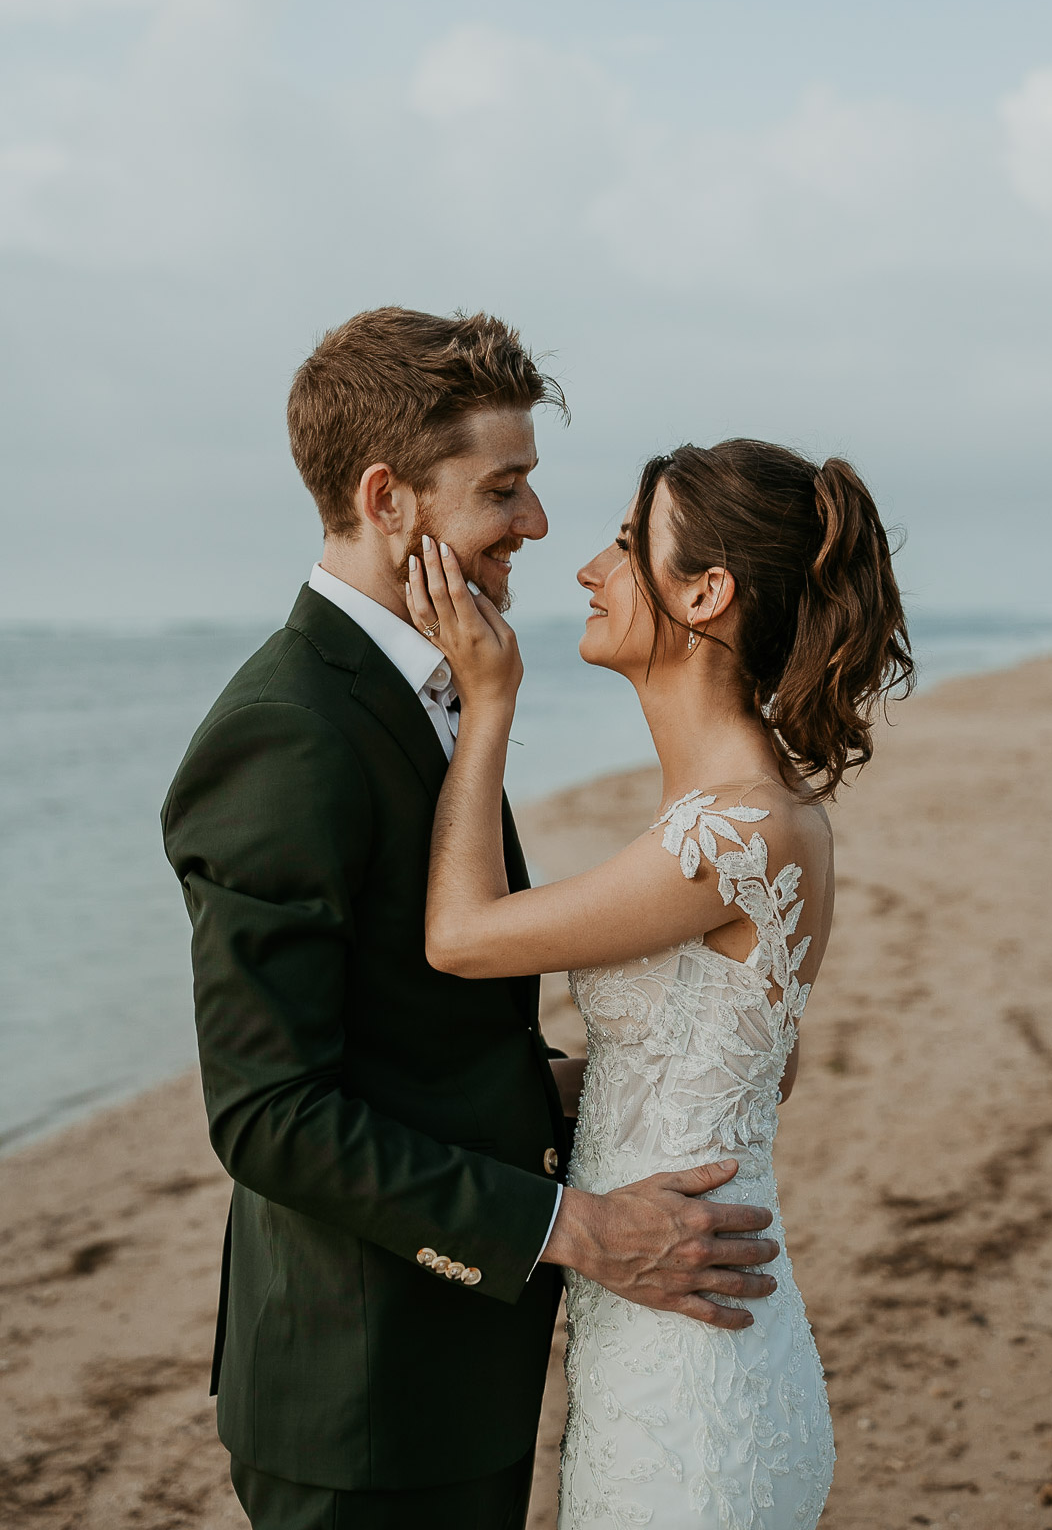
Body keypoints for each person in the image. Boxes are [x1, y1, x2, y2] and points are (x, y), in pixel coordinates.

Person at [161, 309, 780, 1530]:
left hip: (458, 1370)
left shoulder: (436, 682)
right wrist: (578, 1230)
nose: (538, 527)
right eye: (505, 490)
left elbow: (418, 1027)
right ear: (389, 498)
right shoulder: (287, 730)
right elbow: (270, 1114)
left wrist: (615, 1078)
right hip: (362, 1392)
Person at [408, 436, 913, 1530]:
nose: (589, 566)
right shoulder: (754, 815)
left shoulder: (736, 830)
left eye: (630, 544)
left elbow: (458, 934)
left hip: (693, 1383)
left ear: (707, 592)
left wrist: (486, 703)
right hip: (666, 1329)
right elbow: (748, 1074)